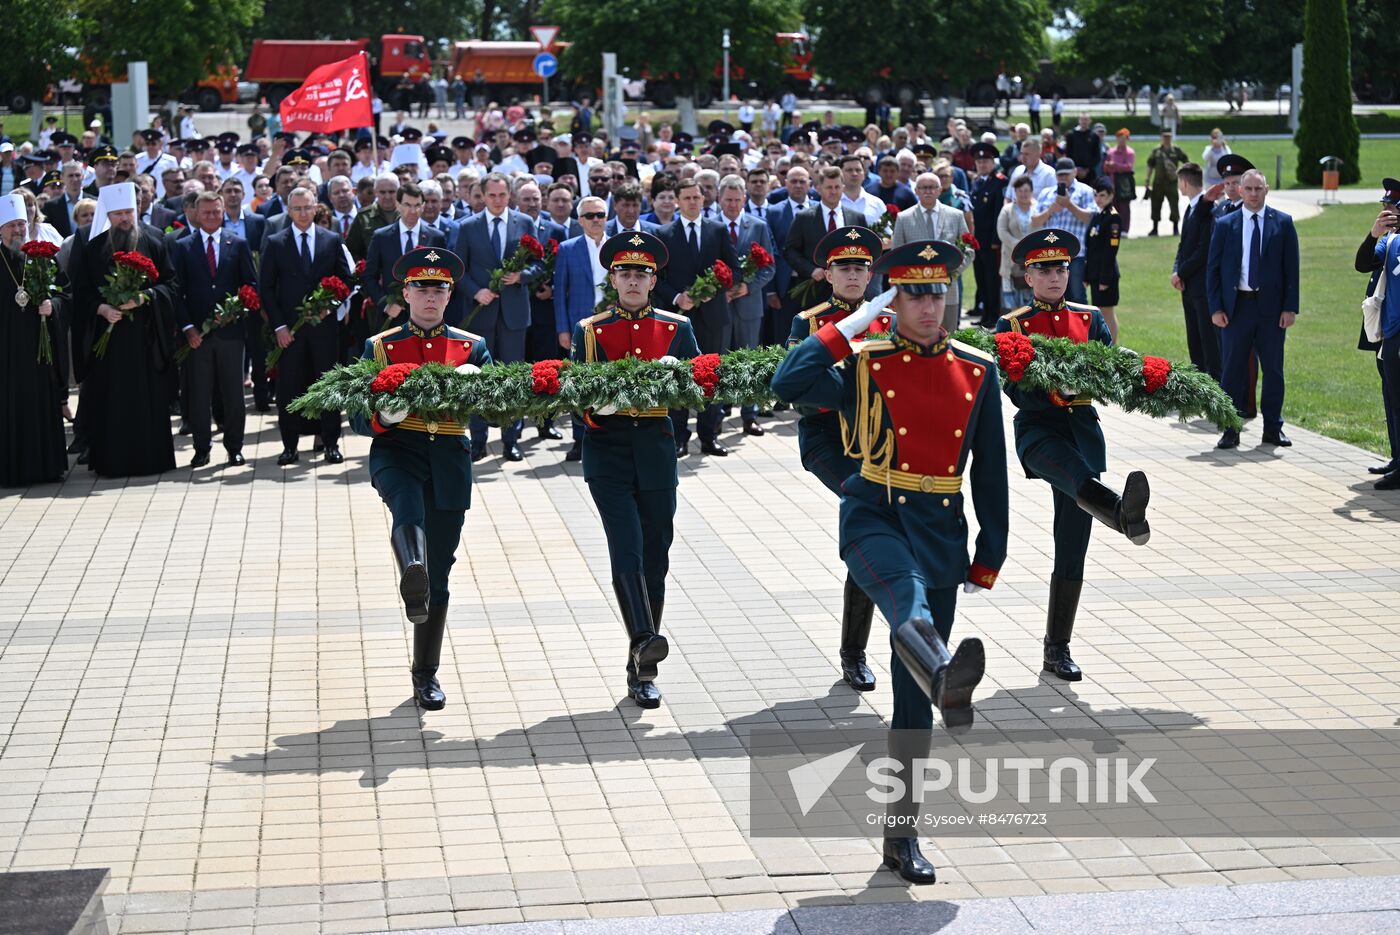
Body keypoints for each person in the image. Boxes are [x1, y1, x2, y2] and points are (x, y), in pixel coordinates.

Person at [772, 239, 1007, 884]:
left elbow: (990, 467)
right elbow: (786, 381)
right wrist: (848, 325)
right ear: (892, 298)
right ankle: (944, 677)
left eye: (938, 293)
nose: (930, 306)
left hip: (943, 528)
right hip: (875, 512)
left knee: (910, 701)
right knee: (908, 601)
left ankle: (900, 838)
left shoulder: (976, 368)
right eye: (914, 293)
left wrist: (992, 549)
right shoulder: (864, 361)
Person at [996, 229, 1152, 682]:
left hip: (1083, 434)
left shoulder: (1088, 319)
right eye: (1044, 268)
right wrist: (1053, 388)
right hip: (1040, 433)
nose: (1055, 276)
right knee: (1076, 476)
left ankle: (1056, 649)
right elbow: (1015, 391)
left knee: (1072, 548)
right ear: (1028, 274)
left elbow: (1109, 370)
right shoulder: (1013, 325)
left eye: (1061, 267)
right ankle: (1122, 513)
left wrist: (1136, 373)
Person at [350, 246, 492, 710]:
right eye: (421, 288)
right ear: (406, 292)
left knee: (442, 573)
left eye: (439, 289)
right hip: (398, 450)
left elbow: (496, 404)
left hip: (450, 456)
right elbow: (355, 414)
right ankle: (412, 568)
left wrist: (479, 398)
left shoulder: (472, 347)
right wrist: (384, 417)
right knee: (405, 507)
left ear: (449, 295)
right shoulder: (382, 346)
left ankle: (424, 672)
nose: (430, 297)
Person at [568, 232, 701, 708]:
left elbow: (699, 382)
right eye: (624, 272)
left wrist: (679, 380)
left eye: (641, 273)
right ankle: (645, 646)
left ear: (653, 279)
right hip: (607, 449)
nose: (632, 281)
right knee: (626, 547)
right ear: (612, 278)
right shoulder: (590, 329)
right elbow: (574, 397)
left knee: (657, 554)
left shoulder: (676, 327)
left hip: (656, 447)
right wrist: (595, 408)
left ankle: (640, 661)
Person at [783, 225, 893, 692]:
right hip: (829, 441)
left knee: (871, 533)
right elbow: (800, 395)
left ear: (871, 273)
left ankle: (857, 648)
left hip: (880, 444)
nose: (853, 274)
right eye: (844, 267)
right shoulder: (808, 323)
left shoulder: (891, 320)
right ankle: (855, 653)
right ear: (828, 273)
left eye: (861, 267)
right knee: (869, 512)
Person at [67, 182, 179, 476]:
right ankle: (111, 462)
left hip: (145, 337)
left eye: (129, 212)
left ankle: (152, 460)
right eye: (118, 214)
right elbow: (79, 292)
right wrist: (101, 309)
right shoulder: (91, 245)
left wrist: (145, 297)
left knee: (147, 399)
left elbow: (171, 284)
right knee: (111, 400)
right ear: (107, 214)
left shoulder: (154, 240)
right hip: (109, 342)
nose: (125, 219)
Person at [260, 187, 353, 465]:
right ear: (288, 211)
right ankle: (289, 446)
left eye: (307, 207)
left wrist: (330, 305)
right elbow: (266, 288)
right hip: (290, 331)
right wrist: (279, 327)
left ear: (316, 208)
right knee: (289, 387)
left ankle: (331, 444)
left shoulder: (331, 239)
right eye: (297, 208)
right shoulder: (276, 242)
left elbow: (346, 281)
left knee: (327, 385)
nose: (302, 213)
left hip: (324, 329)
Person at [1206, 169, 1298, 450]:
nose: (1254, 194)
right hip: (1237, 308)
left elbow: (1291, 270)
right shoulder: (1225, 224)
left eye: (1259, 189)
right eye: (1249, 189)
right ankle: (1231, 430)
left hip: (1271, 310)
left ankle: (1272, 428)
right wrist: (1216, 307)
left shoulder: (1282, 223)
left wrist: (1289, 308)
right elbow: (1214, 270)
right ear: (1240, 191)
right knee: (1232, 370)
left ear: (1266, 190)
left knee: (1273, 370)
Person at [455, 172, 541, 462]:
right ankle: (478, 440)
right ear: (481, 196)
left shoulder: (524, 222)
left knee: (513, 379)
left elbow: (540, 265)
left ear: (510, 196)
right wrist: (475, 291)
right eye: (491, 195)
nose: (497, 200)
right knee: (479, 378)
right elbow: (459, 269)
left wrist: (522, 276)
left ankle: (510, 438)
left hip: (514, 316)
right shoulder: (467, 227)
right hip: (481, 314)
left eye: (502, 195)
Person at [656, 178, 742, 456]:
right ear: (678, 201)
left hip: (713, 315)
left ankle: (708, 435)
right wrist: (676, 297)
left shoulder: (717, 231)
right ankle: (680, 436)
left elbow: (734, 269)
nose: (693, 201)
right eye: (687, 197)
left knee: (711, 375)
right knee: (680, 374)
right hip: (678, 316)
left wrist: (715, 289)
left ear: (704, 200)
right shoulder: (665, 233)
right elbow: (658, 277)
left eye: (697, 197)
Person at [172, 192, 257, 467]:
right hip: (197, 336)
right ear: (196, 214)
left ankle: (234, 447)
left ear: (223, 212)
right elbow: (177, 291)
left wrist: (235, 310)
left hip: (231, 333)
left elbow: (251, 286)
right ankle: (201, 448)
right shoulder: (183, 246)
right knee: (199, 394)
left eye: (216, 212)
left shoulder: (239, 243)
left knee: (233, 393)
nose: (211, 217)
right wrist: (188, 328)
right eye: (206, 212)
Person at [0, 193, 68, 486]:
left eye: (21, 224)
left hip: (40, 353)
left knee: (40, 405)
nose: (18, 229)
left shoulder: (42, 257)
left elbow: (66, 293)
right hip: (5, 354)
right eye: (12, 225)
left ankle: (45, 467)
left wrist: (53, 305)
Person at [716, 175, 775, 435]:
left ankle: (749, 415)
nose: (732, 205)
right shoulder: (711, 226)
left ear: (744, 200)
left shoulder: (758, 226)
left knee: (749, 360)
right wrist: (719, 290)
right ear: (719, 199)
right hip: (719, 305)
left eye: (737, 200)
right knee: (719, 361)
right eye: (728, 200)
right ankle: (716, 415)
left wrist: (747, 287)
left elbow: (769, 266)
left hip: (749, 305)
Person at [552, 196, 609, 461]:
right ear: (580, 220)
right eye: (590, 216)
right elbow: (559, 293)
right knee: (580, 384)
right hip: (580, 326)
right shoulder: (567, 248)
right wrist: (563, 329)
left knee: (611, 380)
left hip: (613, 323)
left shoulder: (617, 246)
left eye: (600, 214)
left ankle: (609, 434)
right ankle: (579, 439)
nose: (596, 220)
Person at [1355, 181, 1400, 485]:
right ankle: (1398, 458)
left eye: (1392, 207)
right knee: (1391, 398)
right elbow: (1362, 264)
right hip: (1388, 333)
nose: (1386, 210)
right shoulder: (1390, 240)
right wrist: (1374, 235)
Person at [363, 183, 448, 333]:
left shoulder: (436, 237)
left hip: (427, 317)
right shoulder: (381, 237)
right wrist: (386, 304)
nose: (413, 211)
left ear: (423, 206)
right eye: (407, 205)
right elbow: (369, 277)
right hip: (391, 317)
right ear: (398, 205)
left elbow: (444, 278)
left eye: (417, 205)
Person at [893, 173, 969, 333]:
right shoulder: (903, 218)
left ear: (940, 190)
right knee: (915, 334)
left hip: (948, 288)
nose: (928, 191)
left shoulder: (956, 216)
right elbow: (897, 255)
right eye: (923, 187)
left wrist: (954, 272)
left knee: (949, 335)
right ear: (916, 190)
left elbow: (968, 250)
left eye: (932, 187)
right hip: (914, 291)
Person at [1172, 163, 1220, 380]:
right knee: (1193, 337)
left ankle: (1213, 383)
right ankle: (1198, 381)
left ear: (1184, 182)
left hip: (1201, 285)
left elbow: (1203, 250)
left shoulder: (1207, 208)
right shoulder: (1190, 207)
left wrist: (1181, 273)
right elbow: (1183, 245)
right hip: (1188, 284)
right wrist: (1177, 271)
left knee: (1207, 339)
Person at [1031, 158, 1097, 304]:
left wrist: (1069, 205)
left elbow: (1092, 219)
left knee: (1077, 296)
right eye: (1060, 175)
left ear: (1075, 172)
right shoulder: (1046, 193)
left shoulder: (1085, 191)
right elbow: (1035, 221)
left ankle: (1080, 327)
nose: (1063, 178)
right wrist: (1050, 210)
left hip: (1076, 254)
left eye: (1066, 174)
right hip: (1049, 255)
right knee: (1049, 296)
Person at [968, 142, 1007, 327]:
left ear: (993, 162)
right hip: (977, 241)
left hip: (991, 242)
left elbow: (998, 213)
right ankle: (985, 314)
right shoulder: (976, 182)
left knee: (992, 280)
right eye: (979, 161)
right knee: (981, 279)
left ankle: (993, 315)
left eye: (986, 161)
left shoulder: (999, 182)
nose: (982, 165)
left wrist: (996, 240)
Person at [1082, 179, 1122, 341]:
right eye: (1096, 195)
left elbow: (1110, 251)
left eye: (1103, 195)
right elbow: (1091, 249)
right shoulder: (1098, 216)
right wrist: (1087, 275)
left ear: (1111, 196)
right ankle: (1105, 344)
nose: (1098, 199)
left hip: (1106, 274)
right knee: (1099, 310)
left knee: (1107, 311)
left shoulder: (1113, 218)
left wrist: (1104, 278)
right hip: (1096, 273)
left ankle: (1112, 346)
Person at [996, 176, 1037, 311]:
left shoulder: (1038, 208)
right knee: (1010, 301)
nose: (1023, 194)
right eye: (1020, 191)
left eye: (1026, 190)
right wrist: (1018, 245)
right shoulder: (1007, 209)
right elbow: (1001, 231)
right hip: (1010, 259)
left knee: (1031, 298)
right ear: (1015, 192)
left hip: (1033, 259)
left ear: (1031, 191)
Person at [1143, 130, 1188, 237]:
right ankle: (1155, 228)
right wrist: (1147, 180)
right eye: (1164, 137)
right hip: (1158, 183)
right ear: (1161, 138)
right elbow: (1150, 165)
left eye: (1168, 137)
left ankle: (1175, 228)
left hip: (1171, 183)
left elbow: (1186, 161)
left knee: (1174, 205)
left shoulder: (1176, 150)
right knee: (1155, 205)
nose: (1166, 139)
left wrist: (1181, 173)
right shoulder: (1156, 151)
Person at [1102, 129, 1135, 237]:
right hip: (1112, 181)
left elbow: (1128, 167)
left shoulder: (1130, 152)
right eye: (1120, 138)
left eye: (1124, 138)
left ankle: (1125, 229)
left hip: (1124, 182)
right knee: (1113, 206)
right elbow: (1106, 167)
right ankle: (1114, 228)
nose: (1121, 140)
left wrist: (1114, 165)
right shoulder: (1111, 151)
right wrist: (1108, 166)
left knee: (1124, 206)